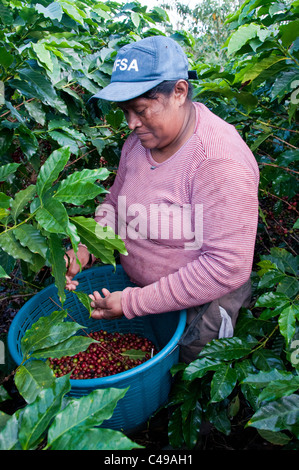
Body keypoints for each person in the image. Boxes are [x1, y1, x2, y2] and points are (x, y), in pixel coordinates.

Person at [65, 36, 259, 363]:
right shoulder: (139, 142)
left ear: (179, 92)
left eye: (140, 110)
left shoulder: (218, 161)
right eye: (125, 111)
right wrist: (87, 250)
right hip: (146, 294)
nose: (131, 123)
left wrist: (132, 303)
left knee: (191, 373)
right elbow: (115, 206)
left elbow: (226, 266)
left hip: (201, 307)